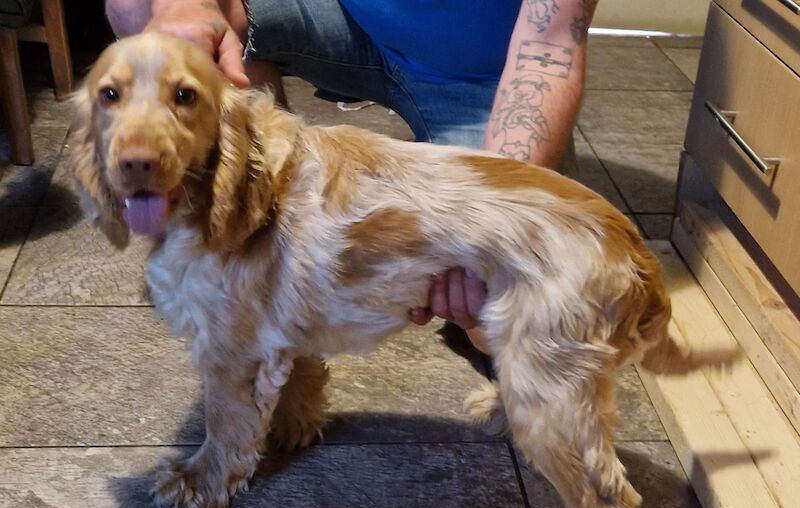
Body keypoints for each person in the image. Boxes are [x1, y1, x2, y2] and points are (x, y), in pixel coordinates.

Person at [105, 0, 598, 352]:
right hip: (349, 20)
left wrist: (490, 235)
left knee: (503, 326)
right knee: (139, 6)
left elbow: (548, 48)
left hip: (484, 74)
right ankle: (255, 230)